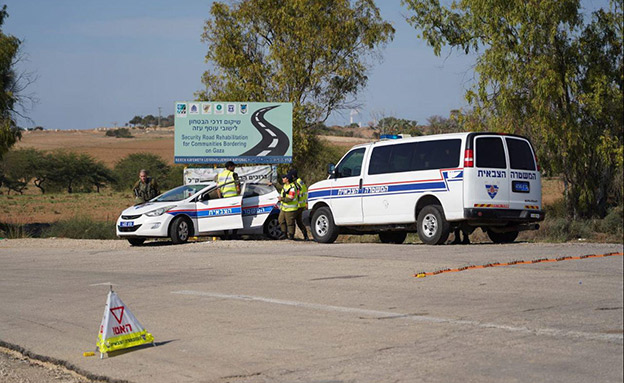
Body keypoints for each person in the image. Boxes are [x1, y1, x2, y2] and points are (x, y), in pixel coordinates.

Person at [278, 173, 299, 240]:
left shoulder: (292, 188)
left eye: (284, 178)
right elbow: (280, 187)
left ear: (287, 179)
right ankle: (284, 234)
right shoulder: (285, 186)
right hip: (284, 208)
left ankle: (291, 235)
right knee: (281, 220)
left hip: (291, 209)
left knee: (290, 223)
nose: (282, 179)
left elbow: (290, 198)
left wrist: (282, 199)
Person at [289, 169, 309, 241]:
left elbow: (297, 193)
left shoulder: (296, 183)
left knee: (291, 220)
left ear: (293, 176)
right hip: (302, 205)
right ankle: (306, 236)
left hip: (298, 205)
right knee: (299, 221)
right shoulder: (300, 181)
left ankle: (291, 236)